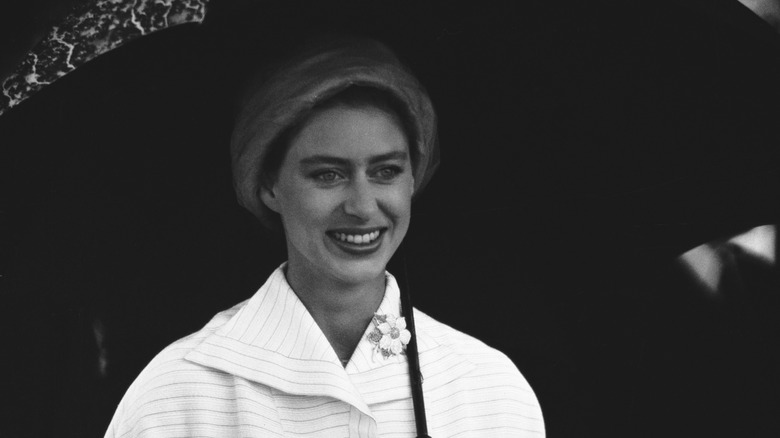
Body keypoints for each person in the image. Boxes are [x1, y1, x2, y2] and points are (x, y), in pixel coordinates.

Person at [105, 36, 545, 437]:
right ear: (268, 186)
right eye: (328, 174)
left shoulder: (488, 390)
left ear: (413, 179)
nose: (363, 205)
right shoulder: (180, 395)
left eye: (385, 171)